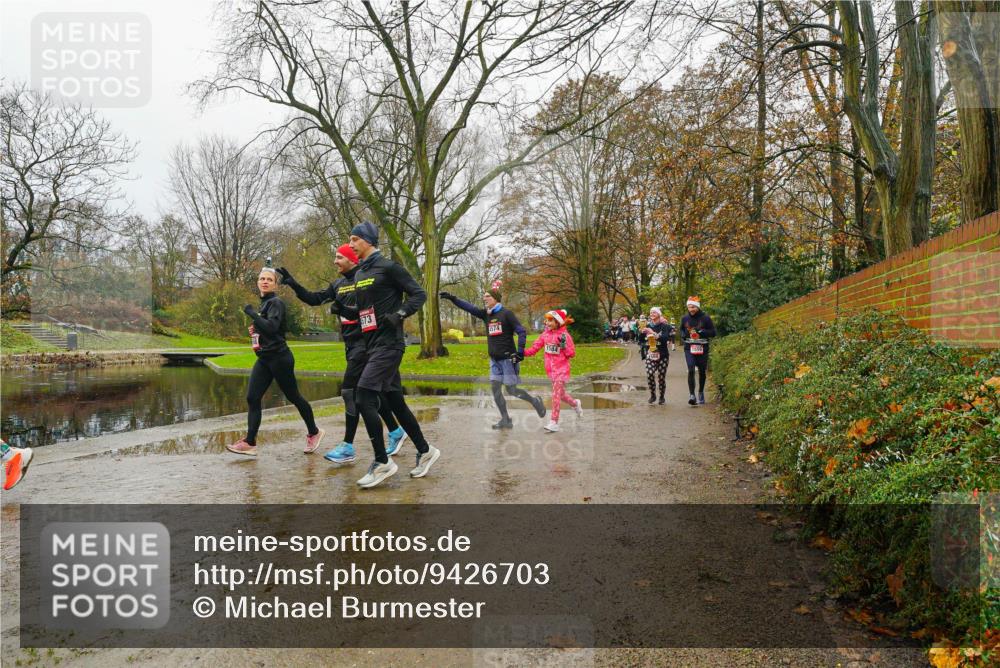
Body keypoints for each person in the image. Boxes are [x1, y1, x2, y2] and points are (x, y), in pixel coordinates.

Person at [330, 222, 440, 489]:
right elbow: (364, 312)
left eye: (355, 239)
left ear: (368, 241)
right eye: (350, 240)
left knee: (364, 394)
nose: (351, 244)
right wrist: (344, 308)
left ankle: (382, 462)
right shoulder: (359, 274)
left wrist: (400, 315)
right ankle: (426, 451)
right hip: (371, 345)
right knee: (394, 402)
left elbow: (419, 294)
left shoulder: (389, 267)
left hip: (389, 345)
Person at [277, 245, 407, 464]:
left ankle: (348, 446)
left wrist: (347, 311)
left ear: (352, 259)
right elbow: (314, 299)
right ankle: (395, 431)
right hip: (350, 345)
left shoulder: (365, 280)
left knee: (349, 392)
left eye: (339, 257)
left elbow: (370, 309)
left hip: (366, 344)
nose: (335, 261)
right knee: (373, 394)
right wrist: (293, 284)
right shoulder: (337, 284)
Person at [227, 266, 324, 456]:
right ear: (257, 282)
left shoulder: (276, 302)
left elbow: (272, 327)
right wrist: (255, 329)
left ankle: (314, 432)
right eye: (262, 279)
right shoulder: (265, 304)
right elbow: (267, 328)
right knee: (252, 397)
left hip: (280, 358)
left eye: (269, 279)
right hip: (264, 359)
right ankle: (250, 442)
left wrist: (253, 315)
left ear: (275, 285)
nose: (264, 281)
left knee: (294, 396)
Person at [440, 281, 546, 429]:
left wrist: (520, 352)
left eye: (487, 296)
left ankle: (535, 402)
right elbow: (469, 307)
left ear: (495, 298)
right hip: (494, 360)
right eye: (484, 296)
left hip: (508, 359)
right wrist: (453, 298)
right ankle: (505, 420)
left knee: (512, 390)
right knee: (495, 390)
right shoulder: (486, 315)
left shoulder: (506, 314)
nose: (485, 298)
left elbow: (521, 332)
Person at [523, 309, 582, 433]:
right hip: (551, 370)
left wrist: (563, 346)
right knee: (561, 395)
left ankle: (554, 422)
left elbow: (572, 354)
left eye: (551, 320)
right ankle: (575, 404)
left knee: (555, 395)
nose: (547, 323)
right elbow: (534, 348)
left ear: (558, 322)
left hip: (562, 370)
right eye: (547, 320)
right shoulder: (545, 335)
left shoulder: (564, 336)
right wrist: (521, 353)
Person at [680, 296, 717, 406]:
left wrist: (701, 331)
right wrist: (683, 335)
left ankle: (700, 392)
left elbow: (713, 332)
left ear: (697, 307)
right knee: (691, 369)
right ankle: (692, 395)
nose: (691, 309)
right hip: (689, 347)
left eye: (693, 307)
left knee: (701, 371)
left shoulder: (705, 318)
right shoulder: (685, 318)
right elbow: (681, 329)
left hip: (702, 347)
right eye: (689, 307)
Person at [640, 307, 675, 405]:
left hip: (663, 355)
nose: (652, 313)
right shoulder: (646, 325)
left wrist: (652, 333)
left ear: (659, 314)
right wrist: (642, 333)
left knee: (661, 377)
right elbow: (641, 340)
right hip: (650, 354)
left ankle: (662, 397)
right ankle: (652, 395)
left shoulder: (665, 326)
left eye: (654, 312)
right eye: (651, 312)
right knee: (650, 374)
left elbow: (665, 339)